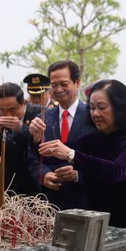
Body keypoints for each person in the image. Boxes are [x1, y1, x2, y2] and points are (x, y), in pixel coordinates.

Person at [32, 79, 126, 251]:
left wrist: (72, 155)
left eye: (102, 108)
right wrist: (38, 139)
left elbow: (116, 172)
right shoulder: (91, 140)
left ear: (120, 108)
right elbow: (57, 157)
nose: (95, 113)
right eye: (92, 108)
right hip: (96, 222)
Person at [28, 60, 96, 210]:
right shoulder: (43, 117)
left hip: (85, 200)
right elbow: (32, 156)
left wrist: (78, 174)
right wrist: (44, 175)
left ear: (77, 83)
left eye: (64, 84)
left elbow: (103, 159)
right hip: (51, 202)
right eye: (54, 85)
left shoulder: (94, 116)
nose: (58, 90)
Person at [0, 82, 41, 196]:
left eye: (12, 109)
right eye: (2, 110)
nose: (7, 114)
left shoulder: (40, 113)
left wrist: (22, 128)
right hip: (4, 188)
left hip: (32, 188)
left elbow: (39, 148)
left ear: (24, 103)